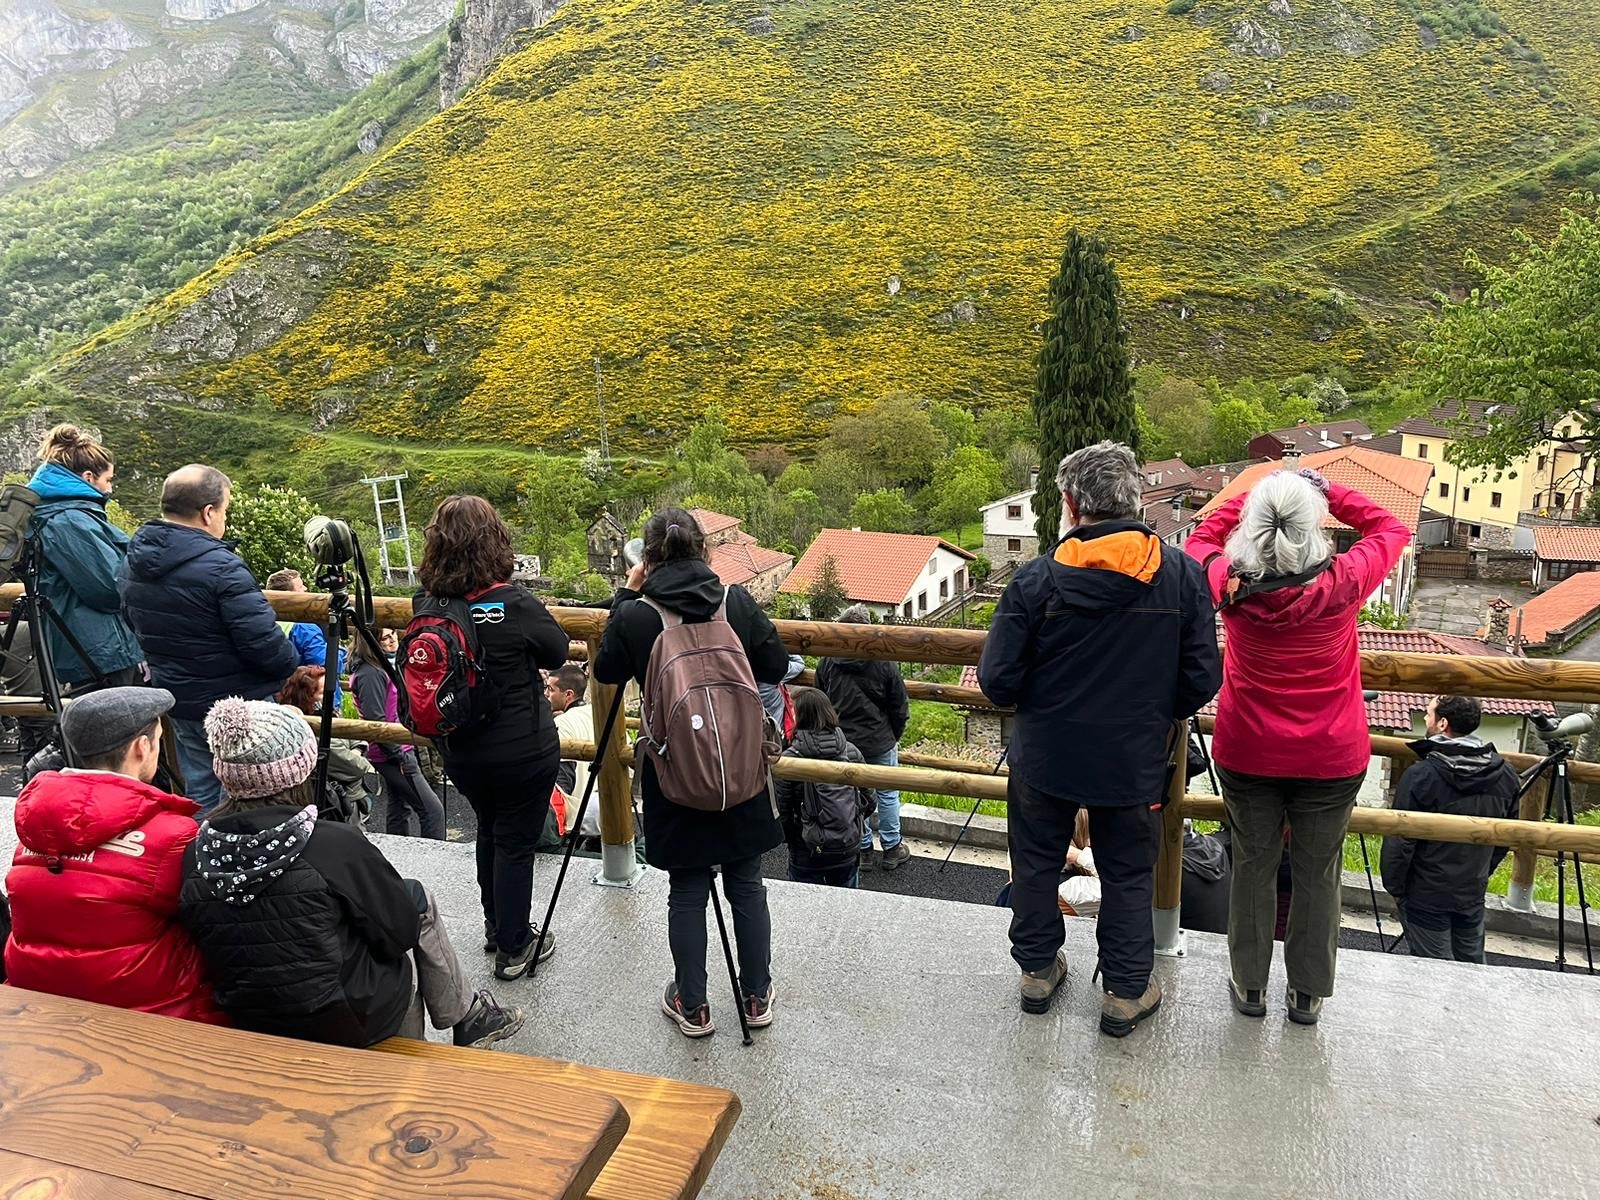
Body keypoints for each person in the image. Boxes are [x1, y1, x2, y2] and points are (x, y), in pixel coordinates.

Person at [979, 441, 1220, 1036]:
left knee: (1034, 866)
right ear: (1135, 500)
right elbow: (1200, 680)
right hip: (1133, 760)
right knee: (1129, 872)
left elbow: (997, 681)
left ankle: (1037, 973)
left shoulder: (1036, 580)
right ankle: (1125, 991)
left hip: (1045, 756)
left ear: (1070, 504)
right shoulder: (1182, 578)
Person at [1187, 465, 1410, 1025]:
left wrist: (1250, 499)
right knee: (1318, 872)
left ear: (1257, 526)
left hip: (1249, 750)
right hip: (1330, 756)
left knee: (1253, 867)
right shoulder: (1344, 580)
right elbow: (1391, 529)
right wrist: (1326, 490)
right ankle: (1307, 993)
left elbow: (1199, 538)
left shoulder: (1227, 581)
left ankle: (1249, 986)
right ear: (1312, 524)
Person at [177, 697, 523, 1049]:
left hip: (252, 1017)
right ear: (299, 770)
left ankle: (469, 1016)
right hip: (351, 1021)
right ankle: (459, 1023)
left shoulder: (196, 853)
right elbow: (400, 932)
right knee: (416, 899)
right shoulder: (332, 845)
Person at [593, 507, 790, 1038]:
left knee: (687, 890)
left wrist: (627, 596)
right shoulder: (735, 602)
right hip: (742, 767)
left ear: (648, 559)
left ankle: (694, 1006)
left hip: (675, 772)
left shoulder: (639, 616)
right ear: (706, 552)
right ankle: (755, 997)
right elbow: (773, 666)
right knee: (747, 884)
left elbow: (606, 669)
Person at [4, 686, 224, 1022]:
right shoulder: (173, 836)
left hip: (35, 995)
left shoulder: (35, 825)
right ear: (142, 747)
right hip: (149, 1011)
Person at [417, 495, 568, 979]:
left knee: (489, 830)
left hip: (461, 748)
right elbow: (556, 651)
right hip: (523, 748)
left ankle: (495, 926)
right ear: (494, 542)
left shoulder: (428, 605)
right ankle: (514, 946)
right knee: (516, 844)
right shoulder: (512, 603)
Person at [119, 465, 300, 813]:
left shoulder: (133, 560)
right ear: (208, 513)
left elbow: (131, 621)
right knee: (253, 792)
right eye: (226, 511)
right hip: (241, 705)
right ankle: (240, 859)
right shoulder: (221, 565)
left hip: (181, 699)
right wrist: (289, 662)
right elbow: (264, 644)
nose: (225, 521)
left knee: (201, 787)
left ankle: (199, 859)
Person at [1382, 695, 1519, 964]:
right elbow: (1506, 838)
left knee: (1433, 970)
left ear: (1443, 723)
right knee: (1472, 969)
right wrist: (1481, 872)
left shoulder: (1422, 774)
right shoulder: (1506, 775)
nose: (1424, 718)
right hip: (1471, 889)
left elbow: (1400, 838)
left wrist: (1396, 887)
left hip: (1425, 892)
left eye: (1429, 714)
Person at [26, 424, 146, 691]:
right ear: (89, 477)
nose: (110, 488)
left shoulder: (64, 511)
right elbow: (108, 586)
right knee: (117, 730)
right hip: (99, 652)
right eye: (108, 480)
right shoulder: (69, 519)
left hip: (93, 648)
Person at [816, 605, 910, 871]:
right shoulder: (883, 660)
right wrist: (894, 734)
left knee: (855, 794)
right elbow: (898, 704)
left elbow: (821, 696)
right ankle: (892, 848)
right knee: (888, 792)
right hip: (879, 738)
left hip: (844, 740)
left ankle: (864, 849)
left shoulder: (828, 660)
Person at [349, 627, 446, 839]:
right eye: (385, 637)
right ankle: (436, 859)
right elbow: (376, 720)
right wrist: (398, 755)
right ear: (373, 642)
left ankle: (396, 857)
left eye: (393, 634)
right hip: (391, 751)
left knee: (400, 807)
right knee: (432, 811)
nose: (392, 640)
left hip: (395, 747)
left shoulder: (381, 667)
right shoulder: (371, 673)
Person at [774, 687, 870, 888]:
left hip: (806, 850)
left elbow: (782, 813)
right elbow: (869, 800)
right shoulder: (851, 752)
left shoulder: (789, 760)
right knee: (848, 905)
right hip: (848, 847)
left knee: (806, 908)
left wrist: (796, 839)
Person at [277, 665, 379, 823]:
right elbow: (355, 767)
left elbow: (354, 736)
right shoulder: (312, 730)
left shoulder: (328, 712)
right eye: (323, 692)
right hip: (338, 804)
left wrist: (356, 748)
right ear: (307, 696)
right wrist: (358, 753)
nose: (331, 696)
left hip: (344, 797)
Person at [265, 568, 344, 711]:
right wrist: (341, 653)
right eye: (301, 587)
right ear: (291, 596)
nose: (306, 589)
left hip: (280, 699)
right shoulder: (303, 627)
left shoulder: (267, 623)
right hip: (314, 702)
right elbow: (328, 663)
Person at [546, 664, 598, 837]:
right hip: (605, 813)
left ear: (568, 694)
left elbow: (562, 781)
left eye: (551, 689)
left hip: (575, 821)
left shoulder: (563, 723)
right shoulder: (598, 714)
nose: (547, 694)